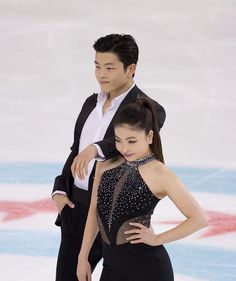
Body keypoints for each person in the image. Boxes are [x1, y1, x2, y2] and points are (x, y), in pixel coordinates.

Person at [52, 34, 166, 281]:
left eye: (110, 67)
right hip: (75, 209)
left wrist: (96, 148)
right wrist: (60, 191)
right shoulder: (90, 104)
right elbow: (76, 150)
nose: (101, 74)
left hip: (114, 218)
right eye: (97, 66)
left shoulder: (149, 109)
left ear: (131, 69)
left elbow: (122, 147)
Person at [77, 98, 208, 281]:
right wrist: (83, 257)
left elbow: (199, 219)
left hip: (148, 268)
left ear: (149, 137)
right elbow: (94, 212)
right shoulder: (104, 166)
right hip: (112, 267)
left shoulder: (160, 173)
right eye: (118, 140)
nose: (124, 148)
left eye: (132, 141)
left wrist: (157, 239)